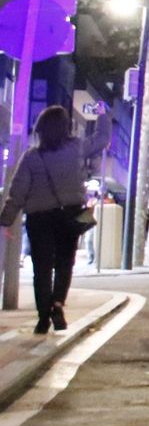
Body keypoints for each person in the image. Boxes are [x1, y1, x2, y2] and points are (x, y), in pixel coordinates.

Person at [0, 104, 111, 333]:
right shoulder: (77, 148)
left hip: (39, 218)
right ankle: (58, 304)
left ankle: (43, 318)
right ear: (66, 127)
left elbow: (17, 191)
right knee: (64, 264)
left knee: (41, 268)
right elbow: (102, 138)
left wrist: (6, 220)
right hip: (70, 215)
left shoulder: (31, 157)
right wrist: (102, 115)